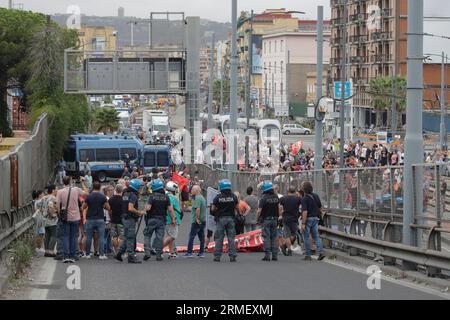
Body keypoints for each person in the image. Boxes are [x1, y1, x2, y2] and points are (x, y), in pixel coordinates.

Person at [56, 176, 89, 263]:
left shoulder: (59, 192)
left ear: (63, 182)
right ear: (70, 181)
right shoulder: (76, 190)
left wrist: (60, 214)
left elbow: (57, 205)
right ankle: (73, 255)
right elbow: (86, 193)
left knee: (66, 236)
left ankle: (66, 256)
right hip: (76, 217)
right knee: (74, 237)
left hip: (65, 217)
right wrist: (82, 183)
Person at [115, 179, 145, 263]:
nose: (140, 189)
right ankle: (131, 256)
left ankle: (119, 253)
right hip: (130, 218)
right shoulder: (133, 195)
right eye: (139, 187)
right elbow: (130, 208)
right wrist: (139, 212)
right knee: (130, 237)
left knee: (126, 237)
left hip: (124, 217)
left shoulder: (125, 193)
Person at [144, 179, 174, 261]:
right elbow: (170, 210)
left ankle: (147, 252)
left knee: (147, 235)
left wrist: (146, 206)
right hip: (161, 219)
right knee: (159, 237)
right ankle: (158, 254)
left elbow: (148, 208)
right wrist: (173, 219)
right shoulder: (166, 197)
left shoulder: (152, 196)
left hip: (151, 218)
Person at [211, 179, 239, 262]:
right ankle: (232, 256)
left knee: (219, 238)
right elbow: (237, 207)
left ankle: (217, 256)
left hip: (221, 219)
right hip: (231, 218)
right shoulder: (233, 196)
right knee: (231, 238)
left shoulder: (218, 197)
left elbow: (213, 209)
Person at [82, 182, 110, 260]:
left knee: (88, 237)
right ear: (99, 187)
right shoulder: (103, 196)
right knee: (101, 237)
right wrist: (103, 206)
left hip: (90, 218)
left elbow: (83, 207)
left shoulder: (89, 196)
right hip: (100, 218)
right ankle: (101, 254)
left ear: (93, 187)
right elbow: (108, 208)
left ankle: (87, 254)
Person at [300, 181, 325, 261]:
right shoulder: (316, 196)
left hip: (308, 219)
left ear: (304, 189)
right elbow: (320, 208)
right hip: (316, 218)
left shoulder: (304, 198)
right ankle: (321, 252)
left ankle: (308, 255)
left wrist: (303, 223)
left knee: (306, 237)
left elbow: (305, 211)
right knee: (316, 236)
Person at [257, 181, 280, 261]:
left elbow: (259, 210)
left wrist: (257, 218)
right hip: (275, 219)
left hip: (266, 219)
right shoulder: (276, 197)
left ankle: (267, 255)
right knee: (274, 237)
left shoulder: (263, 198)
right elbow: (278, 208)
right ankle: (275, 255)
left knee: (266, 237)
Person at [184, 185, 207, 258]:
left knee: (191, 236)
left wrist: (197, 218)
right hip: (203, 220)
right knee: (201, 237)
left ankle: (189, 252)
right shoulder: (202, 198)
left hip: (197, 221)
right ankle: (201, 252)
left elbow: (197, 209)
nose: (191, 191)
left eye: (192, 190)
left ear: (196, 191)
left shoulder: (197, 198)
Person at [280, 186, 301, 256]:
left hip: (285, 218)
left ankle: (288, 249)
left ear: (287, 191)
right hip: (294, 219)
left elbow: (279, 206)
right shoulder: (298, 199)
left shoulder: (283, 198)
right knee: (293, 235)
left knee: (287, 235)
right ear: (295, 192)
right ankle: (286, 247)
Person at [163, 181, 181, 259]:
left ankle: (172, 252)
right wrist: (173, 218)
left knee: (169, 235)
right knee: (173, 236)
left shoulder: (165, 196)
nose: (176, 190)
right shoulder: (172, 198)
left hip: (166, 219)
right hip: (171, 219)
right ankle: (159, 249)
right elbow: (171, 209)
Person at [108, 184, 125, 254]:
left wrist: (111, 216)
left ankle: (116, 251)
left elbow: (109, 210)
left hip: (113, 219)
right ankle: (120, 252)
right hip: (121, 220)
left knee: (114, 236)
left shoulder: (111, 199)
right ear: (122, 190)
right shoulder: (123, 199)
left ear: (115, 190)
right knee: (121, 237)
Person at [43, 185, 58, 257]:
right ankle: (51, 251)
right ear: (53, 190)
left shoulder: (44, 197)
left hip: (45, 219)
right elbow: (50, 206)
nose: (57, 190)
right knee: (54, 235)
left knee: (47, 236)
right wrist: (53, 215)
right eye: (56, 189)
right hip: (52, 221)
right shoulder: (52, 198)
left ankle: (46, 251)